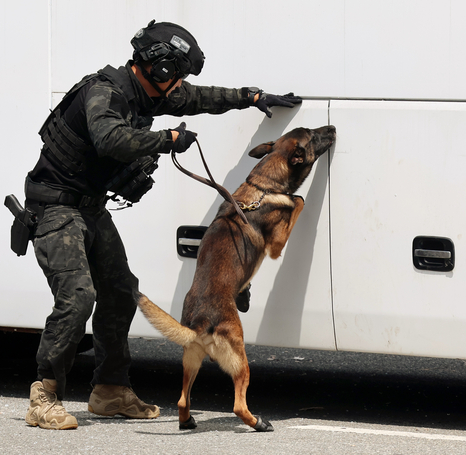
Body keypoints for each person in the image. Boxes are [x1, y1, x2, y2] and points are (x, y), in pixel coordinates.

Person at [23, 19, 302, 430]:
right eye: (179, 74)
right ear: (161, 69)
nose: (181, 84)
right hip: (54, 206)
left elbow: (200, 98)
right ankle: (44, 395)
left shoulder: (145, 93)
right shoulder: (105, 92)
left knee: (120, 294)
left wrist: (251, 97)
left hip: (90, 207)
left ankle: (110, 391)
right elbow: (110, 139)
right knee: (79, 296)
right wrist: (166, 140)